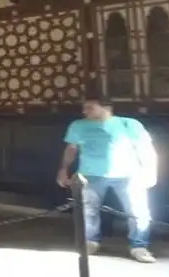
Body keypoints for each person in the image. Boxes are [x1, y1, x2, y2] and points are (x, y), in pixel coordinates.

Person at [55, 98, 158, 263]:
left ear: (106, 107)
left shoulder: (129, 124)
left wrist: (151, 170)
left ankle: (139, 246)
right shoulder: (78, 125)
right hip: (90, 174)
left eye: (90, 108)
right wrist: (63, 169)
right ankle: (90, 241)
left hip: (129, 174)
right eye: (84, 108)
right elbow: (71, 149)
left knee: (138, 211)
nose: (85, 111)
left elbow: (145, 148)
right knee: (88, 211)